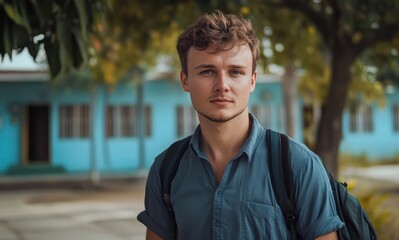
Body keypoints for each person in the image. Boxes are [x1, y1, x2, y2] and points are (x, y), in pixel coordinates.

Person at [137, 10, 344, 240]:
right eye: (207, 71)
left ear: (252, 80)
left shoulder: (299, 165)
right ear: (185, 80)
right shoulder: (166, 170)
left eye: (235, 72)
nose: (222, 85)